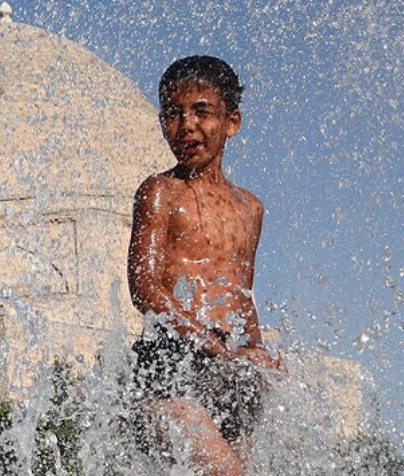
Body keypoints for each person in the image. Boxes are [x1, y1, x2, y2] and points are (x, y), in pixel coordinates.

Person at [128, 55, 283, 476]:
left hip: (229, 375)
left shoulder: (250, 208)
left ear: (232, 122)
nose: (186, 125)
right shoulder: (160, 191)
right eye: (173, 113)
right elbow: (145, 288)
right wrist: (213, 347)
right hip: (169, 367)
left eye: (201, 111)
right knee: (223, 471)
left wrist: (257, 353)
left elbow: (241, 297)